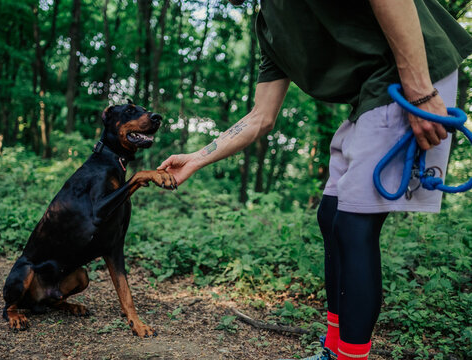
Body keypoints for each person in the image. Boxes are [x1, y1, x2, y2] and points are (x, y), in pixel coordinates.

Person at [158, 1, 472, 359]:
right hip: (371, 93)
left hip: (414, 75)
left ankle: (348, 356)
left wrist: (420, 90)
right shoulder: (270, 26)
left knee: (354, 225)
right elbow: (261, 116)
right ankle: (335, 348)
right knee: (332, 215)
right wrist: (196, 159)